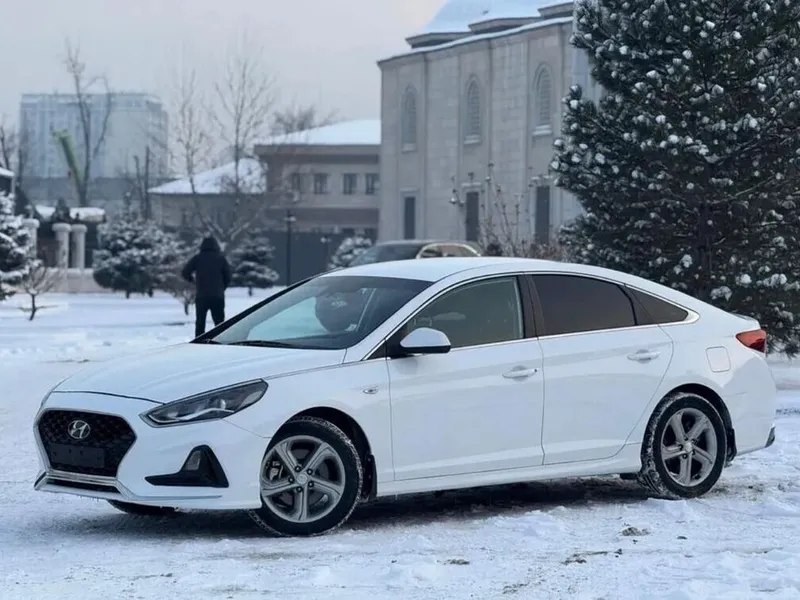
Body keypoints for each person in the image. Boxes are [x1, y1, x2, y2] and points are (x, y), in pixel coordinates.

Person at [181, 235, 232, 337]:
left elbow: (185, 272)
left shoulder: (197, 258)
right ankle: (220, 340)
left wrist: (193, 281)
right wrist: (222, 287)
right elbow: (228, 275)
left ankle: (199, 341)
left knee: (200, 322)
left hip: (202, 295)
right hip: (217, 296)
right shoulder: (221, 258)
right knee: (219, 323)